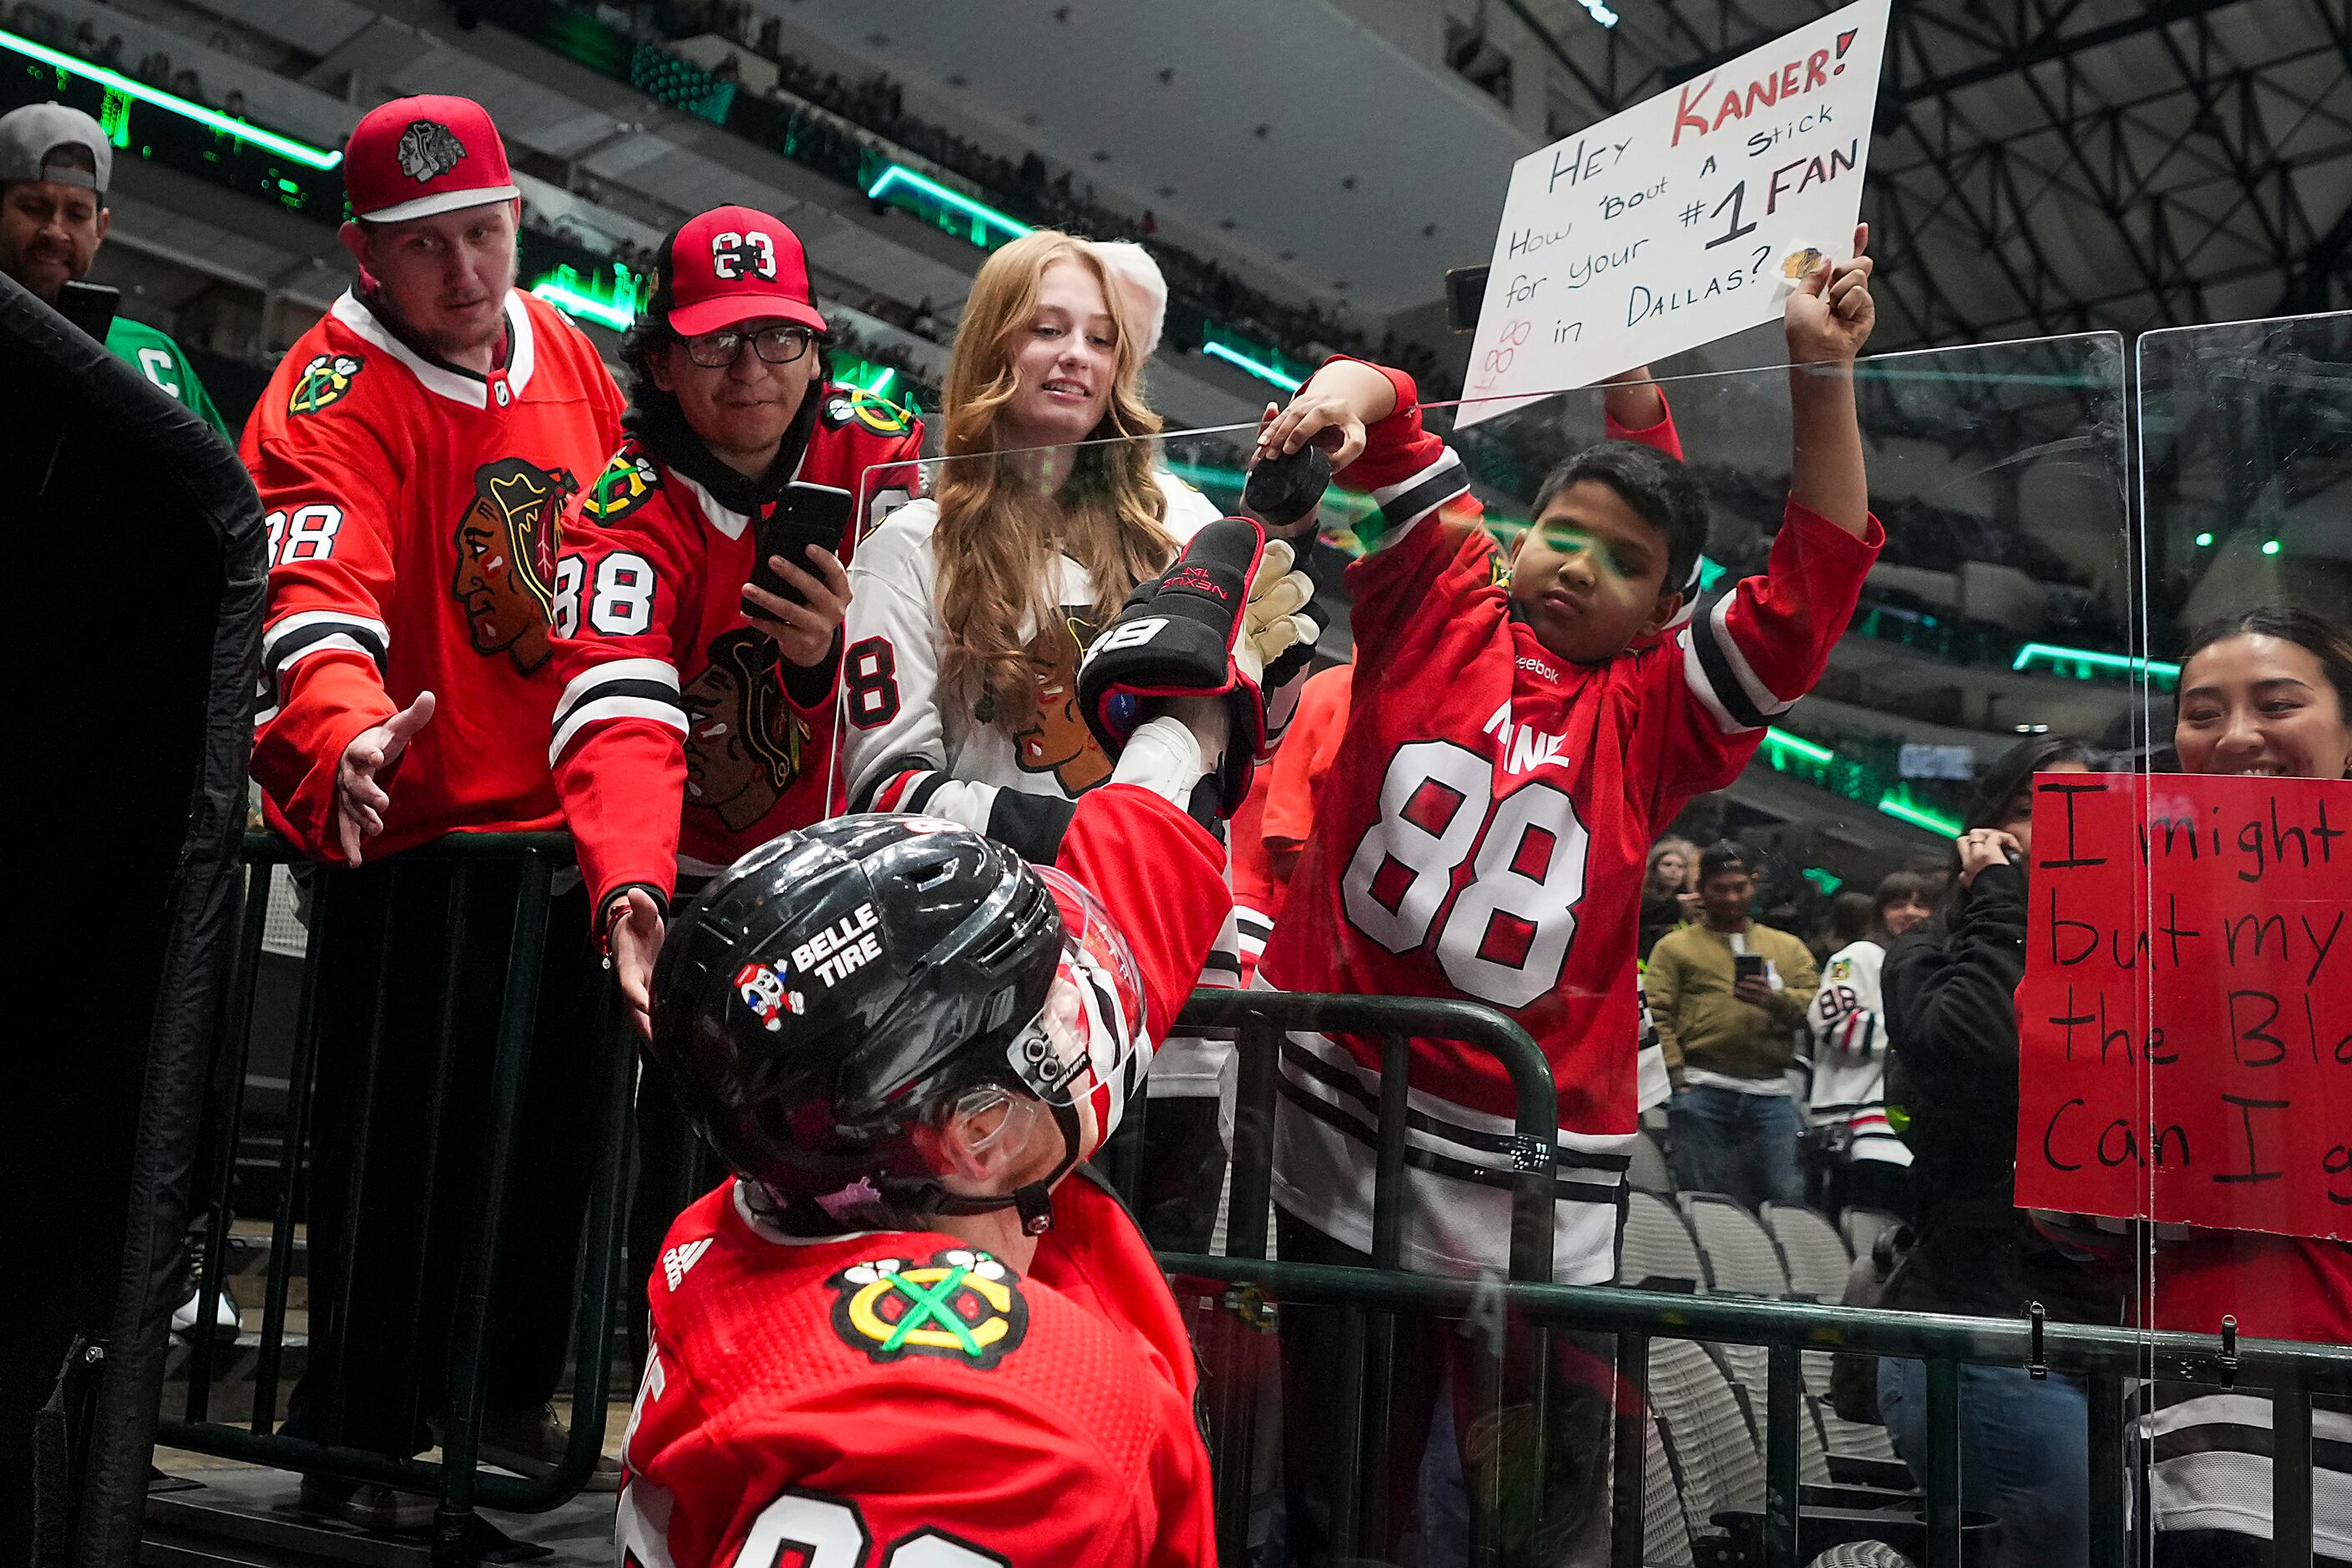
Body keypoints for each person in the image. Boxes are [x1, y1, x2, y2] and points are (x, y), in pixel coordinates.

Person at [1251, 229, 1882, 1562]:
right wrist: (1336, 405)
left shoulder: (1656, 714)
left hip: (1532, 1194)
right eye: (1561, 532)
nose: (1577, 564)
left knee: (1538, 1522)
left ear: (1665, 612)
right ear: (1517, 535)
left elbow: (1809, 580)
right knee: (1332, 1509)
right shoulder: (1437, 604)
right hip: (1336, 1146)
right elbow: (1392, 404)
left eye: (1624, 559)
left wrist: (1817, 375)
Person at [617, 528, 1270, 1568]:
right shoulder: (1014, 1423)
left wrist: (1178, 732)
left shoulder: (762, 1207)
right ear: (966, 1131)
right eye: (1043, 1016)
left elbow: (1116, 905)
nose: (1076, 1019)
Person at [241, 94, 628, 1527]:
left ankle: (497, 1442)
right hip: (416, 854)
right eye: (428, 249)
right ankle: (353, 1449)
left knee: (549, 1169)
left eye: (487, 233)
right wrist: (342, 735)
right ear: (362, 253)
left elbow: (620, 527)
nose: (469, 275)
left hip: (569, 853)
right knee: (395, 1172)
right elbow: (311, 604)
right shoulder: (326, 398)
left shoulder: (571, 352)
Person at [841, 229, 1315, 1252]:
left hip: (1174, 992)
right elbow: (884, 797)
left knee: (1152, 1303)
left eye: (1100, 339)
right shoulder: (910, 545)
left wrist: (1258, 679)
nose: (1075, 356)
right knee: (994, 1301)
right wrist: (1100, 837)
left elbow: (1222, 781)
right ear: (988, 350)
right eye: (1045, 328)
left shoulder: (1187, 532)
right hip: (997, 992)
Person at [2139, 606, 2352, 1568]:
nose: (2235, 737)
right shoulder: (2120, 918)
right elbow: (2073, 1200)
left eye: (2278, 705)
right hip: (2211, 1392)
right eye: (2201, 712)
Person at [1878, 734, 2119, 1568]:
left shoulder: (2125, 953)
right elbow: (1982, 1042)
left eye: (2080, 809)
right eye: (2032, 809)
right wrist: (2003, 896)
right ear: (1985, 832)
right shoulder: (1927, 953)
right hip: (1986, 1330)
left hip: (2103, 1330)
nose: (2059, 827)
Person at [0, 102, 229, 438]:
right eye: (35, 208)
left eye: (77, 215)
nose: (55, 231)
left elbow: (226, 485)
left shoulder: (155, 358)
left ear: (100, 229)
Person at [1646, 841, 1821, 1208]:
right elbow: (1657, 1014)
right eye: (1720, 889)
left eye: (1739, 887)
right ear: (1702, 889)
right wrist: (1678, 1080)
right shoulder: (1675, 947)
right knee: (1705, 1202)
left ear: (1753, 884)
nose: (1730, 898)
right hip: (1700, 1087)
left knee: (1788, 1202)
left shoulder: (1787, 948)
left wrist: (1774, 1001)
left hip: (1772, 1091)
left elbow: (1815, 1008)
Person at [1798, 872, 1934, 1218]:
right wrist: (1921, 1035)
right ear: (1879, 912)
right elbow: (1831, 1022)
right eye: (1898, 904)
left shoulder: (1931, 967)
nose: (1910, 912)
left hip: (1905, 1132)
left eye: (1921, 904)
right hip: (1856, 1128)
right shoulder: (1860, 955)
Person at [1638, 834, 1701, 959]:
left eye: (1680, 866)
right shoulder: (1643, 903)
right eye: (1667, 865)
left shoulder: (1693, 902)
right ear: (1654, 868)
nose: (1674, 870)